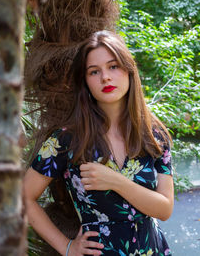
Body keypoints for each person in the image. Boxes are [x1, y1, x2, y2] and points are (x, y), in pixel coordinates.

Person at [23, 30, 174, 256]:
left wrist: (116, 181)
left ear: (129, 71)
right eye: (95, 71)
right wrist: (66, 247)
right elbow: (24, 197)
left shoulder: (154, 136)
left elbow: (164, 209)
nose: (105, 77)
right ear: (85, 82)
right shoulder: (66, 140)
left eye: (113, 66)